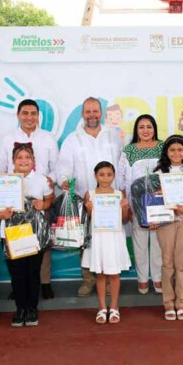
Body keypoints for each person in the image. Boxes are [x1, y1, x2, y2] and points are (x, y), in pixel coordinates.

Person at [57, 97, 124, 297]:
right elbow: (63, 167)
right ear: (82, 114)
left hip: (111, 202)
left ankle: (111, 279)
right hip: (85, 201)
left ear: (101, 113)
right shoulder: (72, 139)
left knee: (110, 240)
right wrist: (64, 181)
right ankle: (88, 279)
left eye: (95, 111)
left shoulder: (114, 136)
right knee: (87, 242)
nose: (92, 115)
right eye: (88, 112)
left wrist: (122, 195)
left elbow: (121, 167)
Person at [0, 99, 59, 299]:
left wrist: (50, 181)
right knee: (17, 241)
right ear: (18, 115)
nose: (29, 117)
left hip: (40, 197)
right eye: (25, 113)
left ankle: (45, 282)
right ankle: (19, 286)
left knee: (42, 241)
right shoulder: (7, 139)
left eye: (33, 113)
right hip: (13, 200)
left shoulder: (48, 138)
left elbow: (56, 167)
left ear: (38, 116)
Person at [0, 143, 54, 327]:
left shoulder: (42, 180)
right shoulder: (4, 180)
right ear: (13, 161)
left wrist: (43, 205)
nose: (23, 161)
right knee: (17, 273)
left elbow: (50, 198)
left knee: (32, 272)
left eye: (27, 157)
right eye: (19, 157)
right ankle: (20, 308)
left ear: (33, 160)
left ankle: (32, 308)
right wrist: (0, 214)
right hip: (11, 233)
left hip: (34, 233)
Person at [153, 135, 183, 321]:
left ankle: (181, 302)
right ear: (166, 152)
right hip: (165, 220)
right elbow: (153, 199)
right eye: (172, 150)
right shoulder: (158, 172)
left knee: (181, 262)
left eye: (180, 150)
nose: (176, 153)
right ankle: (168, 303)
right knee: (167, 262)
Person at [117, 114, 164, 294]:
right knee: (140, 241)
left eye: (149, 127)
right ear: (136, 130)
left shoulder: (163, 147)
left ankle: (158, 278)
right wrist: (125, 204)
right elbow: (121, 179)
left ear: (154, 129)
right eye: (141, 127)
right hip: (137, 204)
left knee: (158, 242)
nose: (145, 130)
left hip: (160, 203)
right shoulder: (129, 151)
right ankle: (142, 279)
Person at [83, 162, 132, 324]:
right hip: (98, 237)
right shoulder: (90, 194)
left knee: (114, 274)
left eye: (109, 174)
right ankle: (102, 308)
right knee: (101, 273)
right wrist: (89, 209)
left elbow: (125, 219)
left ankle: (115, 307)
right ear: (95, 176)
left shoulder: (119, 194)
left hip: (114, 237)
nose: (105, 178)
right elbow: (88, 219)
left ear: (114, 176)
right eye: (101, 174)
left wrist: (125, 208)